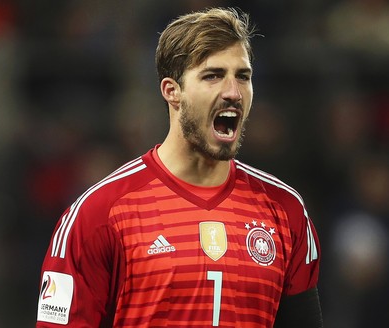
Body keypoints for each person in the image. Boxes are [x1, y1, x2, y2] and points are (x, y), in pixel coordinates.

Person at [35, 7, 322, 327]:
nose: (233, 92)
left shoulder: (285, 210)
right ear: (172, 92)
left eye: (243, 76)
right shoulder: (99, 214)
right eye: (213, 75)